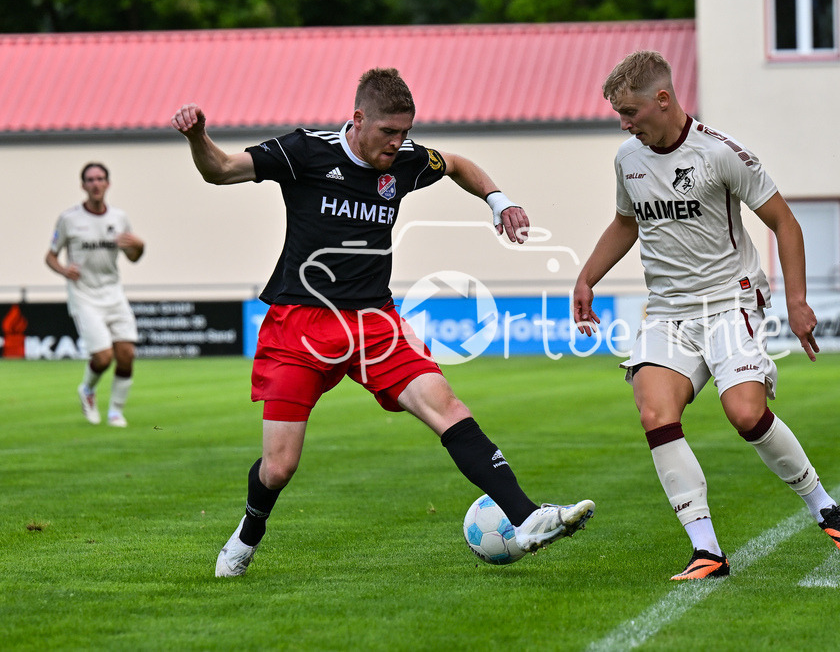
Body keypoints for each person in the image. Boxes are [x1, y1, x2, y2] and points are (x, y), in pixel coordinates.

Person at [171, 68, 594, 578]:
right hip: (300, 324)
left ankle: (527, 518)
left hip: (375, 321)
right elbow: (219, 169)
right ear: (357, 120)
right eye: (388, 132)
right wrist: (198, 137)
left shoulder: (407, 161)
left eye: (405, 132)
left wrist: (498, 200)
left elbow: (457, 163)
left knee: (447, 406)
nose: (398, 144)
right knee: (279, 466)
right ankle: (248, 533)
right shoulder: (304, 151)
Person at [572, 50, 840, 581]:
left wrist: (798, 302)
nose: (624, 123)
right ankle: (707, 550)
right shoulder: (627, 160)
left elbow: (786, 223)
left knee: (746, 414)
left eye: (630, 112)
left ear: (664, 99)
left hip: (730, 302)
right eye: (619, 114)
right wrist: (587, 276)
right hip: (666, 311)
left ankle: (823, 505)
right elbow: (625, 222)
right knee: (655, 413)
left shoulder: (722, 154)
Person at [45, 163, 145, 428]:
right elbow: (50, 256)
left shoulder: (119, 218)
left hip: (113, 292)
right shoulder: (69, 219)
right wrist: (64, 270)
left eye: (100, 179)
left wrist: (139, 246)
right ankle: (87, 390)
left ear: (108, 184)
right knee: (102, 357)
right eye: (90, 180)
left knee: (126, 354)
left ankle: (115, 411)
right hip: (84, 295)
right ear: (83, 185)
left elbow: (133, 257)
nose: (96, 184)